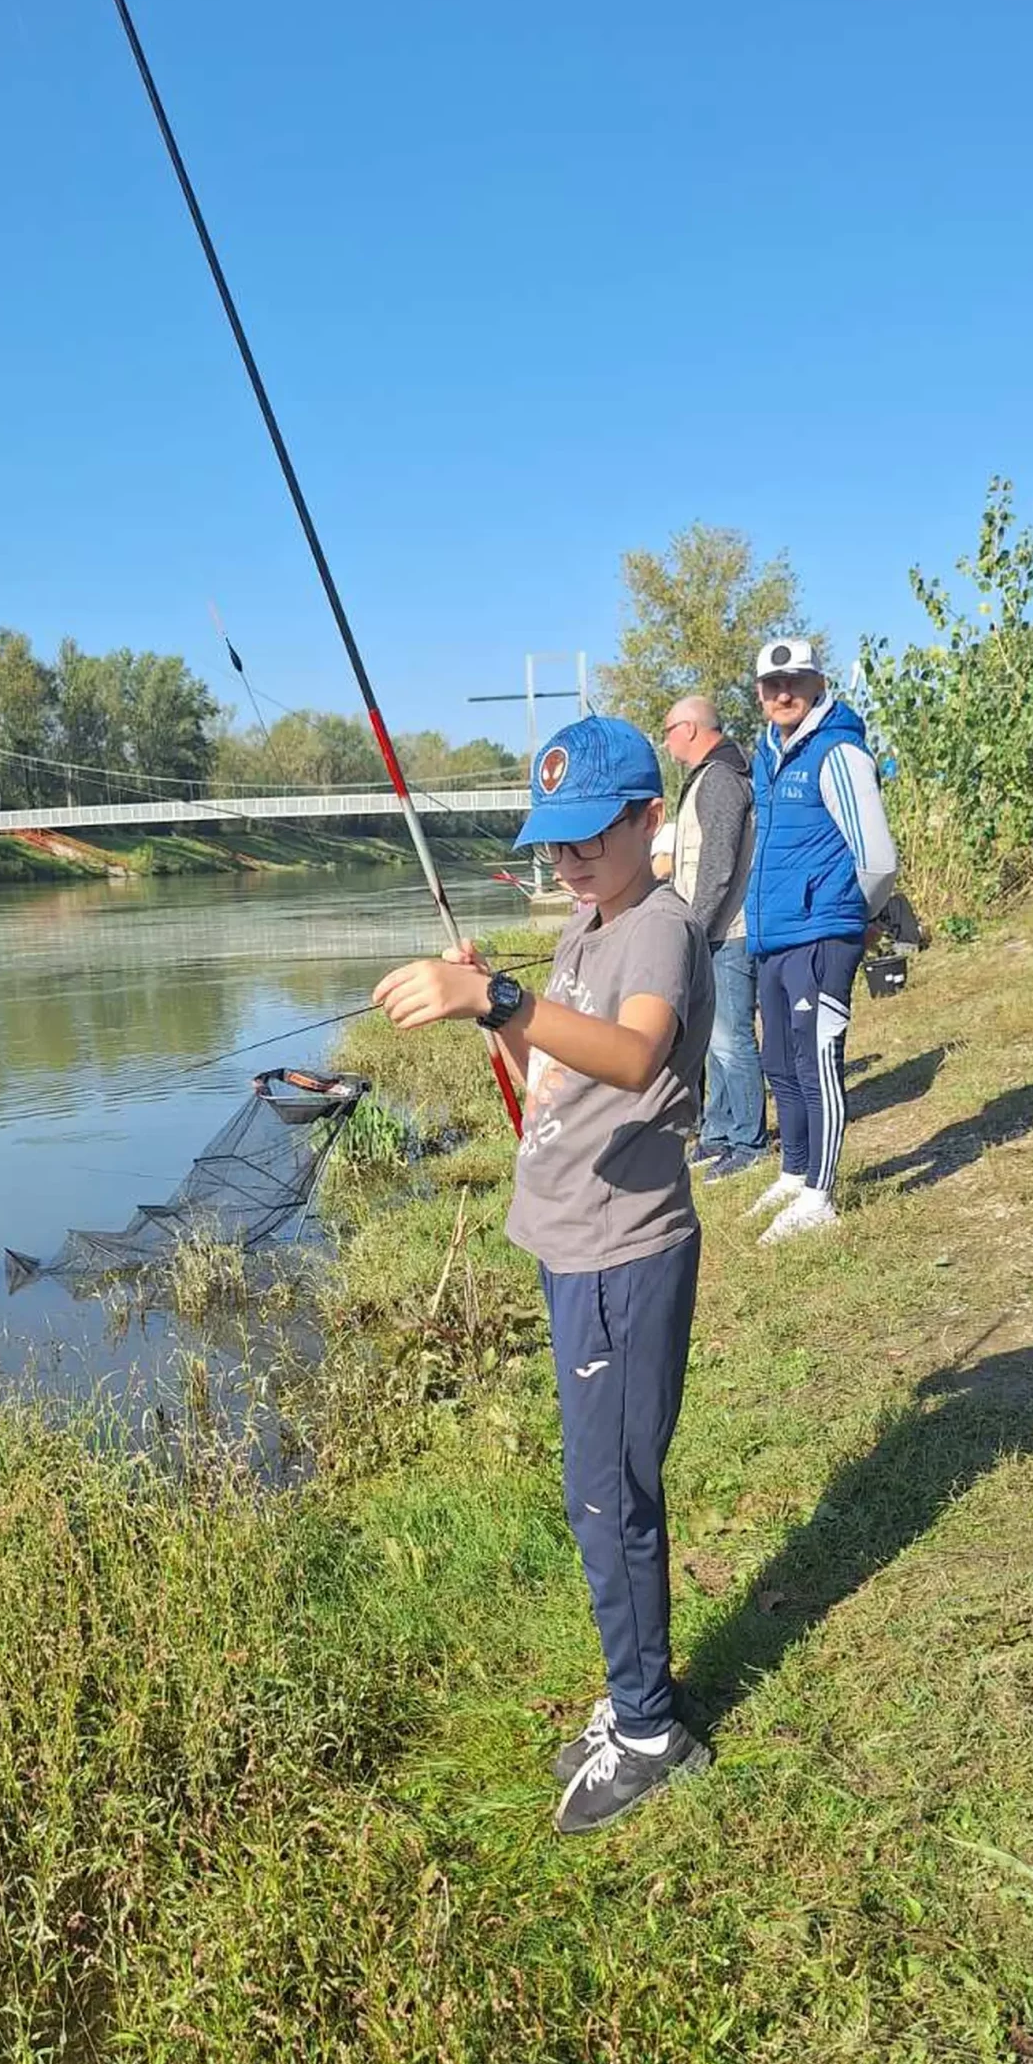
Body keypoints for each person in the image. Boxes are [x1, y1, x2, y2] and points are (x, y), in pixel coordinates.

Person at [374, 715, 713, 1835]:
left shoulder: (656, 929)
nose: (566, 862)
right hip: (572, 1244)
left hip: (624, 1252)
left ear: (648, 821)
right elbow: (559, 1075)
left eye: (588, 840)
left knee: (610, 1497)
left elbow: (632, 1054)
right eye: (553, 843)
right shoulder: (583, 928)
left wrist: (502, 1000)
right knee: (595, 1490)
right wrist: (502, 1018)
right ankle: (631, 1699)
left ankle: (653, 1729)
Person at [745, 639, 897, 1243]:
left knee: (818, 1064)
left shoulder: (838, 752)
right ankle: (794, 1172)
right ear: (759, 695)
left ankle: (821, 1195)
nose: (784, 693)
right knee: (779, 1061)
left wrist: (849, 915)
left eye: (796, 682)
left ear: (816, 684)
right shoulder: (768, 754)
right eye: (772, 685)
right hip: (774, 938)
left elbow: (878, 859)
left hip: (821, 935)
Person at [662, 694, 768, 1180]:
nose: (664, 742)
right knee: (712, 1041)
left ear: (688, 728)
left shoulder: (720, 779)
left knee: (732, 1040)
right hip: (715, 932)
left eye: (666, 731)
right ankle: (720, 1134)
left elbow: (719, 868)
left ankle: (748, 1143)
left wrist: (694, 932)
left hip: (727, 932)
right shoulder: (712, 774)